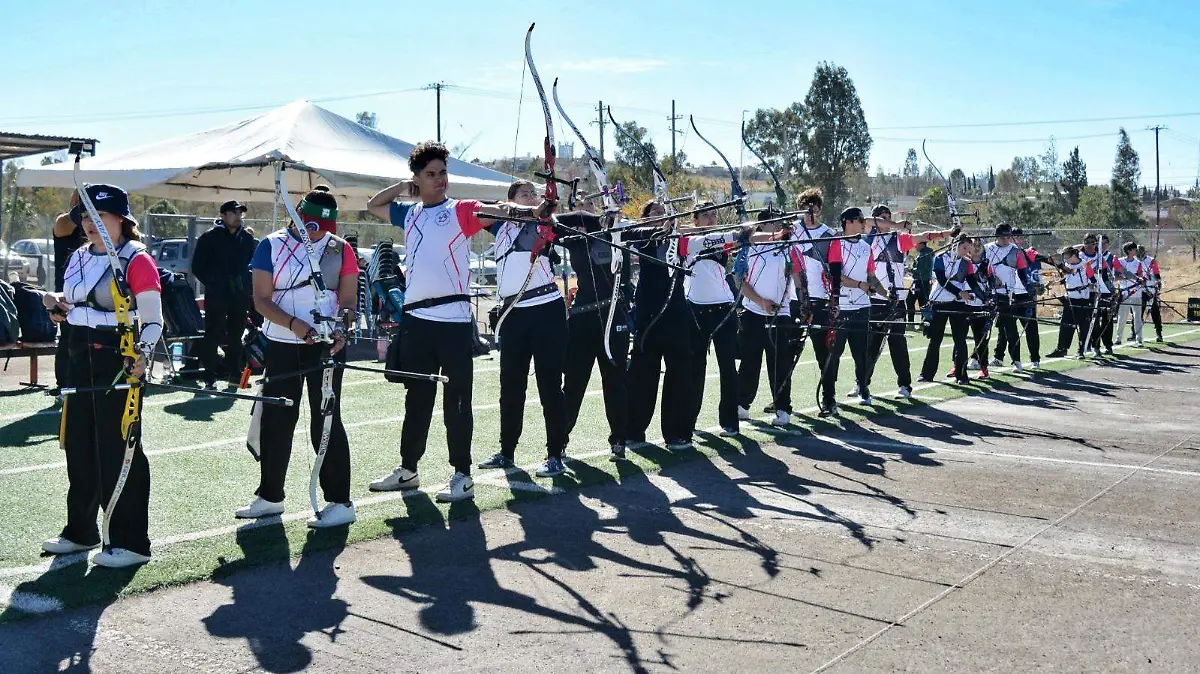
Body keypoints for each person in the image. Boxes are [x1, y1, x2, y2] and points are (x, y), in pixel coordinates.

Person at [365, 142, 548, 502]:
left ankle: (462, 474)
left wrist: (534, 210)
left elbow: (500, 210)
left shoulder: (460, 210)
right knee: (417, 399)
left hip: (453, 323)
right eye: (431, 174)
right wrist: (403, 187)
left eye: (443, 173)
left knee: (458, 402)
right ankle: (408, 469)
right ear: (418, 178)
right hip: (417, 322)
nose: (440, 179)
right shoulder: (410, 213)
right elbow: (374, 205)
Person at [39, 184, 163, 568]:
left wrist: (142, 357)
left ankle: (131, 541)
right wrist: (56, 305)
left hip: (118, 360)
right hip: (78, 356)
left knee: (118, 448)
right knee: (79, 444)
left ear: (121, 219)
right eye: (85, 217)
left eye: (100, 216)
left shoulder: (136, 259)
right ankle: (81, 531)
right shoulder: (78, 255)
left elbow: (153, 321)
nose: (90, 224)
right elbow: (75, 303)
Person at [241, 189, 359, 528]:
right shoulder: (270, 245)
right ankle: (270, 496)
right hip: (281, 343)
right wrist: (295, 325)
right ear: (301, 219)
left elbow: (348, 301)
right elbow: (261, 300)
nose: (320, 235)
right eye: (314, 227)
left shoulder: (340, 248)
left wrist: (342, 327)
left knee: (326, 419)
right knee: (276, 419)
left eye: (326, 228)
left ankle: (339, 501)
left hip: (326, 345)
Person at [475, 180, 570, 478]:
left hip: (546, 311)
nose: (531, 197)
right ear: (511, 198)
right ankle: (506, 451)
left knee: (549, 385)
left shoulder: (543, 222)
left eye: (534, 193)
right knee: (511, 386)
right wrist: (513, 210)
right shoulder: (500, 226)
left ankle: (555, 454)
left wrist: (546, 204)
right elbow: (480, 213)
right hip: (513, 314)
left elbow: (548, 217)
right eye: (524, 194)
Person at [856, 206, 955, 399]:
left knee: (898, 344)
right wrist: (895, 224)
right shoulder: (868, 237)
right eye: (882, 217)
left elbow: (924, 236)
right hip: (874, 299)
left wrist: (948, 233)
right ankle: (861, 384)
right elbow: (865, 220)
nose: (886, 220)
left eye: (888, 216)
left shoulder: (899, 239)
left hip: (896, 300)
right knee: (870, 344)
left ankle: (904, 385)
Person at [557, 206, 631, 461]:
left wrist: (613, 226)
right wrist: (590, 219)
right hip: (582, 319)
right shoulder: (576, 240)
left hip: (614, 316)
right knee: (574, 383)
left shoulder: (619, 235)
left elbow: (645, 231)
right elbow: (554, 223)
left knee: (616, 382)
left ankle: (619, 441)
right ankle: (558, 442)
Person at [626, 200, 694, 450]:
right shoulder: (640, 235)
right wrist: (660, 229)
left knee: (680, 372)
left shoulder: (679, 238)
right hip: (648, 314)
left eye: (664, 213)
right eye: (655, 212)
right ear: (644, 217)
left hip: (676, 312)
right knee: (643, 372)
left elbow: (705, 238)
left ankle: (676, 432)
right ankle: (634, 430)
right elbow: (632, 233)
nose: (661, 215)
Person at [681, 204, 752, 436]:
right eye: (705, 216)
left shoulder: (723, 239)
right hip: (695, 312)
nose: (711, 219)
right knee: (694, 368)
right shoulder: (687, 240)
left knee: (728, 368)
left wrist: (775, 234)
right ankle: (688, 421)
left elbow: (751, 238)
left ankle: (730, 422)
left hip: (724, 310)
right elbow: (699, 237)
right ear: (695, 220)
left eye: (714, 215)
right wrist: (735, 234)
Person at [735, 210, 806, 425]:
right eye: (774, 222)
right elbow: (739, 280)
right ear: (762, 225)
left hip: (780, 314)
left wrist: (805, 306)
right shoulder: (749, 247)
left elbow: (800, 281)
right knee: (749, 362)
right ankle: (741, 405)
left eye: (781, 223)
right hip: (752, 313)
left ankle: (782, 408)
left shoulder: (790, 248)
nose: (779, 226)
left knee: (780, 363)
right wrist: (761, 302)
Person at [822, 208, 885, 409]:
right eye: (860, 220)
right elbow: (835, 275)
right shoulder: (837, 243)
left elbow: (871, 277)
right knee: (834, 354)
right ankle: (830, 395)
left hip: (862, 307)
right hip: (841, 307)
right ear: (848, 222)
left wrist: (886, 294)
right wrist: (859, 285)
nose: (863, 223)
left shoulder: (866, 247)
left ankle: (863, 388)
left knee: (861, 352)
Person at [191, 200, 258, 389]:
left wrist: (245, 282)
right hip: (217, 294)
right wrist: (215, 283)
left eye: (240, 213)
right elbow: (197, 266)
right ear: (223, 215)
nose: (238, 216)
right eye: (234, 212)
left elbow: (252, 264)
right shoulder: (209, 237)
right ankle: (209, 377)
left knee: (237, 334)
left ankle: (235, 375)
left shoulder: (246, 238)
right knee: (213, 333)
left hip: (240, 294)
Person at [790, 188, 839, 414]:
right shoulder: (790, 229)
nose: (810, 213)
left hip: (819, 300)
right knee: (786, 353)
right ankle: (781, 400)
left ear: (819, 210)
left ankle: (829, 399)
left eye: (814, 208)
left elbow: (835, 268)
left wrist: (834, 299)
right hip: (792, 299)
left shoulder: (829, 234)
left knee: (823, 353)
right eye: (806, 208)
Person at [919, 235, 981, 385]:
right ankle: (926, 374)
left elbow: (972, 282)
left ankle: (962, 375)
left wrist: (984, 297)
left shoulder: (967, 263)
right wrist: (959, 292)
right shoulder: (940, 258)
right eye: (964, 247)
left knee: (960, 340)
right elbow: (941, 280)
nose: (966, 251)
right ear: (955, 244)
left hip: (957, 304)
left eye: (968, 249)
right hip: (939, 302)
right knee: (935, 339)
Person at [983, 224, 1036, 371]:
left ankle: (1017, 361)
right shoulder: (986, 249)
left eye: (1008, 236)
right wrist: (991, 279)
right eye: (1003, 236)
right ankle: (977, 360)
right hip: (988, 294)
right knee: (982, 328)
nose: (1006, 239)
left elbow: (1022, 273)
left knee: (1011, 331)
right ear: (997, 236)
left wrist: (1030, 290)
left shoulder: (1016, 251)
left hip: (1007, 295)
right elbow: (980, 268)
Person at [51, 191, 87, 389]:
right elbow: (69, 221)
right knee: (68, 339)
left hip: (91, 291)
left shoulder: (97, 227)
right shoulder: (63, 222)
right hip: (67, 293)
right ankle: (63, 386)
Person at [1046, 246, 1095, 358]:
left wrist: (1091, 287)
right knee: (1065, 324)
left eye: (1066, 256)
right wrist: (1054, 283)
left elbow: (1093, 280)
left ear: (1073, 256)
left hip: (1082, 299)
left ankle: (1081, 350)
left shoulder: (1085, 265)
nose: (1065, 259)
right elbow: (1067, 277)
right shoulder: (1068, 265)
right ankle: (1062, 349)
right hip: (1070, 298)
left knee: (1083, 326)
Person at [1079, 234, 1115, 357]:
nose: (1090, 245)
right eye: (1087, 242)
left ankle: (1107, 345)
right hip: (1085, 293)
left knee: (1106, 319)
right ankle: (1091, 347)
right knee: (1090, 321)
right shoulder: (1079, 256)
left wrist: (1111, 290)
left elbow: (1105, 276)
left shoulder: (1100, 258)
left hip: (1101, 292)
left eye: (1093, 243)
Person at [1112, 241, 1146, 347]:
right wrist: (1126, 277)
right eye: (1134, 249)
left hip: (1136, 292)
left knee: (1137, 317)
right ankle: (1118, 339)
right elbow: (1115, 277)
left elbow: (1141, 277)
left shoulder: (1138, 263)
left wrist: (1141, 281)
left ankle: (1139, 339)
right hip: (1124, 292)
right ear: (1129, 250)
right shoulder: (1120, 261)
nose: (1136, 251)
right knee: (1122, 317)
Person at [1136, 245, 1163, 342]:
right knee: (1138, 311)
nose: (1139, 254)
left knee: (1155, 311)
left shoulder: (1151, 261)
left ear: (1144, 252)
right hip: (1140, 289)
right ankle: (1134, 332)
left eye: (1140, 252)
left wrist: (1158, 282)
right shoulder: (1134, 261)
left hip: (1151, 289)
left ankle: (1159, 333)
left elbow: (1157, 273)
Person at [906, 240, 934, 323]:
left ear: (921, 244)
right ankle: (922, 322)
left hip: (920, 282)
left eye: (916, 244)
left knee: (912, 301)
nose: (915, 246)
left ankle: (913, 322)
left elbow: (921, 270)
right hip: (922, 282)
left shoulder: (924, 255)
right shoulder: (925, 253)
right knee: (920, 302)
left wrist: (910, 270)